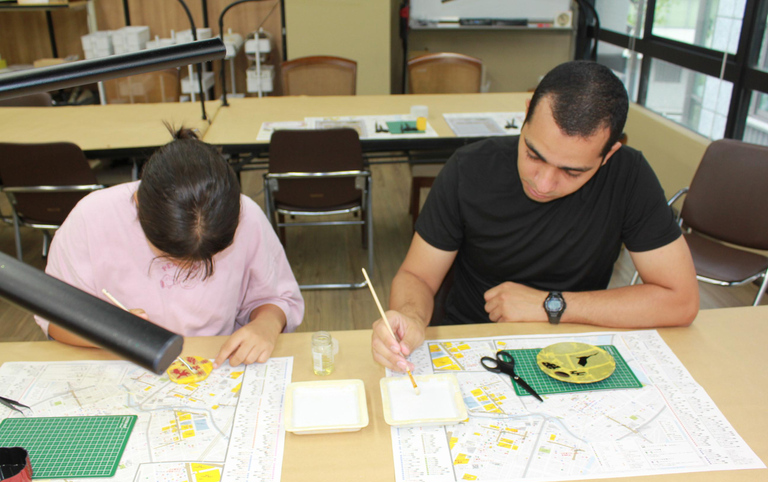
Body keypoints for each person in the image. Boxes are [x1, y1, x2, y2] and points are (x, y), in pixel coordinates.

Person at [372, 60, 699, 372]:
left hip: (574, 348)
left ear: (609, 153)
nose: (543, 183)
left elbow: (680, 300)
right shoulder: (469, 169)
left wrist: (551, 305)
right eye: (533, 154)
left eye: (572, 172)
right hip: (474, 345)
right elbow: (417, 276)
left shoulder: (629, 176)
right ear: (527, 113)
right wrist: (410, 316)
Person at [36, 126, 304, 368]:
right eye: (170, 255)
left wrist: (266, 325)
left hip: (217, 365)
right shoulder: (91, 218)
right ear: (139, 204)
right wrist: (109, 329)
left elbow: (276, 297)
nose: (187, 269)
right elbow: (54, 319)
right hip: (120, 365)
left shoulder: (248, 216)